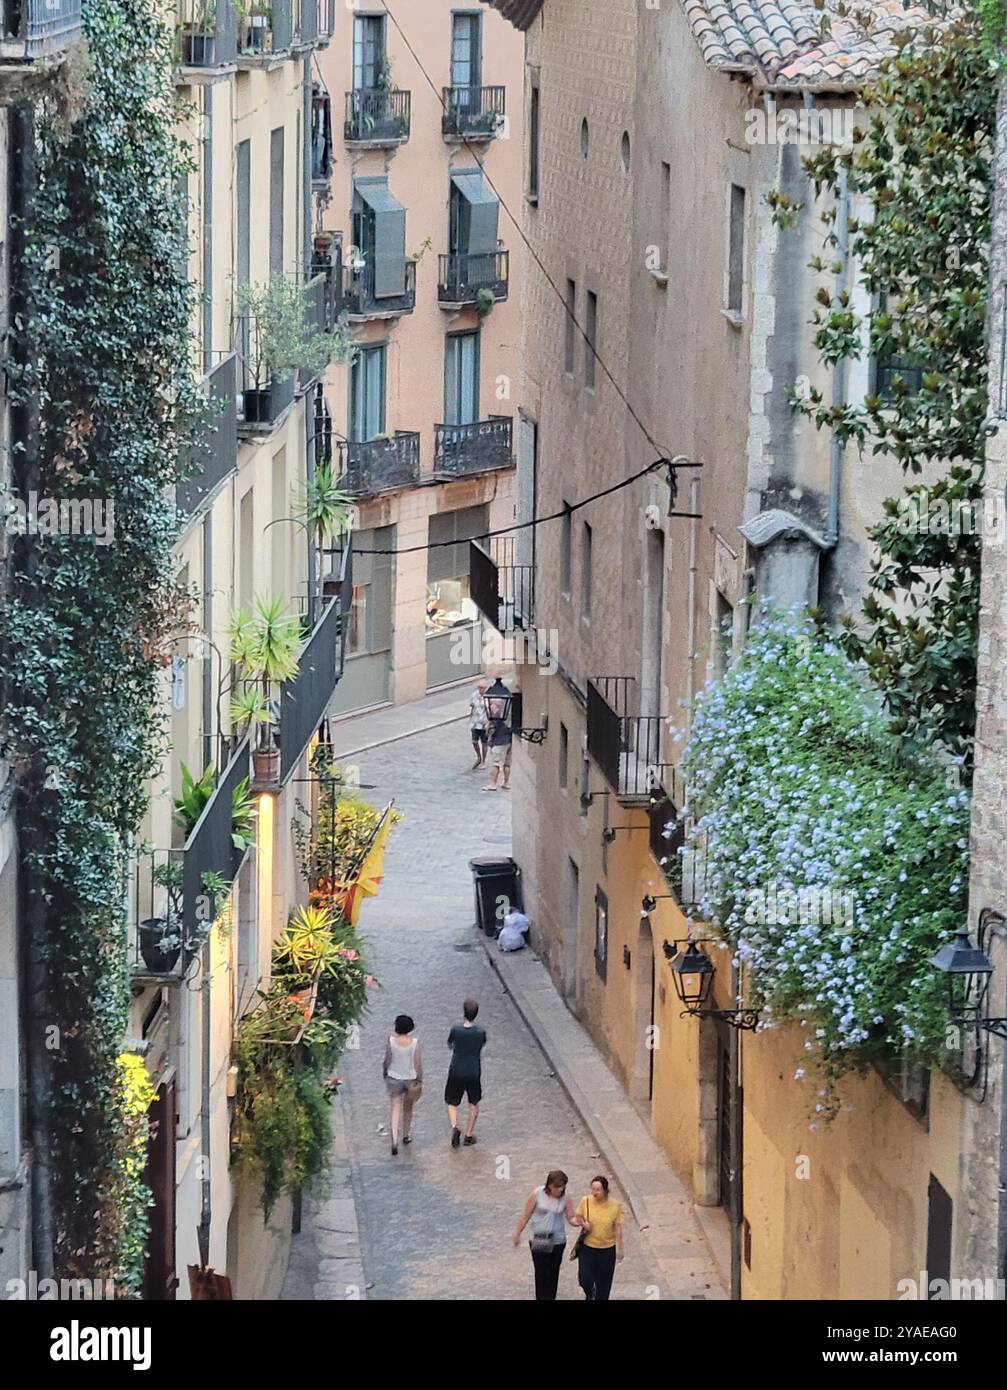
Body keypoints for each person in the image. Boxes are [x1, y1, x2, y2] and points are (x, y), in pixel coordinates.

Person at [513, 1169, 582, 1300]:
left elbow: (571, 1217)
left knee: (553, 1272)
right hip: (540, 1238)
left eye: (563, 1187)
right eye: (558, 1187)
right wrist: (518, 1233)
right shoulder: (537, 1194)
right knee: (541, 1272)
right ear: (550, 1185)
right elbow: (525, 1215)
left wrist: (580, 1222)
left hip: (558, 1240)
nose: (561, 1190)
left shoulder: (565, 1198)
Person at [445, 997, 486, 1147]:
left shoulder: (456, 1030)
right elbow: (482, 1044)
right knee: (473, 1102)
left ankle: (455, 1126)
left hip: (456, 1070)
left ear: (464, 1012)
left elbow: (450, 1044)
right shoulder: (480, 1032)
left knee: (452, 1101)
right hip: (473, 1071)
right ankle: (468, 1134)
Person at [575, 1175, 624, 1300]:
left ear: (605, 1190)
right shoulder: (586, 1201)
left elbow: (617, 1226)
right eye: (593, 1189)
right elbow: (578, 1216)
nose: (594, 1193)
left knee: (604, 1283)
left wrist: (619, 1248)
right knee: (585, 1279)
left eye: (598, 1189)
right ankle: (590, 1293)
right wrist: (584, 1224)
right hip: (588, 1247)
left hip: (607, 1249)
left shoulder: (614, 1205)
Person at [382, 1014, 422, 1157]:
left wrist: (385, 1072)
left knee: (395, 1109)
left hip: (394, 1076)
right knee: (408, 1108)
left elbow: (387, 1059)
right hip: (410, 1078)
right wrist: (420, 1078)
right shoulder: (414, 1042)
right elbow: (417, 1063)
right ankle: (406, 1135)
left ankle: (393, 1139)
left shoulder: (391, 1041)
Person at [483, 676, 513, 792]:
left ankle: (493, 783)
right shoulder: (507, 712)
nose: (490, 707)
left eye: (492, 705)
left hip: (500, 740)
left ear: (497, 706)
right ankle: (506, 782)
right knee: (507, 763)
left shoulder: (497, 715)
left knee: (496, 762)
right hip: (509, 739)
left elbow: (491, 730)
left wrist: (489, 732)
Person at [469, 680, 489, 770]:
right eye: (480, 688)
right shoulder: (474, 695)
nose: (482, 689)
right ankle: (479, 757)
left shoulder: (488, 696)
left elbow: (491, 710)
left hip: (484, 723)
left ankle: (483, 761)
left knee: (484, 742)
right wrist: (470, 721)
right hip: (475, 722)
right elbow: (472, 707)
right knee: (474, 741)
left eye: (483, 688)